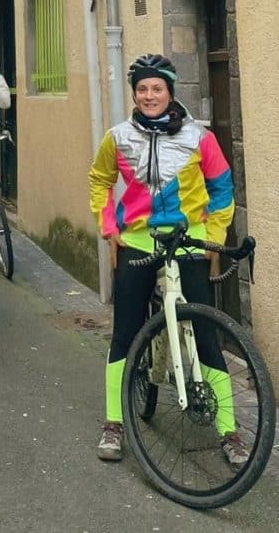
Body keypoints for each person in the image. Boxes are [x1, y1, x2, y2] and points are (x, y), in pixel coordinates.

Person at [88, 54, 241, 464]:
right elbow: (100, 180)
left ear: (170, 92)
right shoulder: (117, 136)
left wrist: (213, 238)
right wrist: (110, 229)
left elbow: (223, 187)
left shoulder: (198, 137)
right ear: (134, 94)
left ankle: (229, 431)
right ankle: (114, 423)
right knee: (125, 333)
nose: (149, 95)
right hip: (137, 239)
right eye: (142, 89)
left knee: (207, 333)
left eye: (157, 88)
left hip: (188, 238)